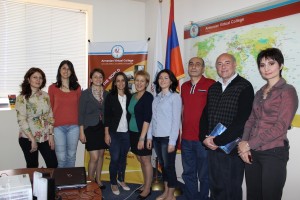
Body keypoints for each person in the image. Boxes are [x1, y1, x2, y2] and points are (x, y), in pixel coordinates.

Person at [238, 48, 298, 200]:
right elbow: (251, 120)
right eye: (262, 65)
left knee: (270, 196)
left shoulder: (287, 91)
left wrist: (249, 144)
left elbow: (281, 127)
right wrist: (243, 144)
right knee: (253, 195)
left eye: (271, 63)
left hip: (274, 152)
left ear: (281, 65)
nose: (267, 68)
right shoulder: (259, 92)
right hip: (253, 151)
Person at [200, 53, 254, 200]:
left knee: (231, 188)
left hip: (231, 148)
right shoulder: (214, 88)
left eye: (227, 63)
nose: (223, 67)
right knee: (215, 186)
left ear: (235, 65)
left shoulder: (244, 86)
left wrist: (218, 141)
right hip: (212, 146)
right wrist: (204, 138)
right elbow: (205, 114)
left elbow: (242, 120)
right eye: (219, 63)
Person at [181, 57, 215, 200]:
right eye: (191, 64)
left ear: (203, 68)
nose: (194, 67)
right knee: (188, 173)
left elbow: (214, 111)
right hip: (186, 139)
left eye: (198, 64)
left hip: (203, 140)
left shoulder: (211, 84)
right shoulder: (184, 86)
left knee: (204, 175)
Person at [147, 69, 182, 200]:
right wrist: (150, 136)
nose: (162, 80)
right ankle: (166, 192)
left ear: (171, 80)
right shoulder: (156, 98)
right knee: (164, 166)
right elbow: (152, 119)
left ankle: (171, 195)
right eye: (160, 78)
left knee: (169, 167)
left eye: (166, 78)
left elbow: (176, 121)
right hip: (156, 137)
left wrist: (172, 142)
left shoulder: (175, 97)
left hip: (168, 138)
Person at [16, 67, 58, 168]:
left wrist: (51, 135)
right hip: (28, 138)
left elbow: (50, 116)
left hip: (45, 136)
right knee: (32, 166)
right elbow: (22, 120)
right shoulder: (22, 98)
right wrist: (32, 140)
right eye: (35, 77)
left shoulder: (45, 96)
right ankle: (33, 184)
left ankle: (50, 184)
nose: (38, 80)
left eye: (40, 78)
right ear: (28, 79)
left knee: (53, 164)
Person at [48, 60, 81, 168]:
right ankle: (60, 183)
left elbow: (80, 109)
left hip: (74, 127)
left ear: (72, 71)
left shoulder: (77, 87)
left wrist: (82, 129)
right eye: (63, 68)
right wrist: (50, 132)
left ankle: (70, 183)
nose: (66, 71)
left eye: (68, 68)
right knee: (61, 158)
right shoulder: (52, 88)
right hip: (58, 128)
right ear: (59, 70)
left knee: (71, 156)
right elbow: (50, 110)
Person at [79, 68, 108, 189]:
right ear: (91, 79)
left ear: (103, 79)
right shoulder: (85, 93)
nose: (98, 79)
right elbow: (81, 113)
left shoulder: (106, 94)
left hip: (103, 127)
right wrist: (81, 132)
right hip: (90, 128)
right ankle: (90, 181)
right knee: (94, 157)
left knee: (101, 155)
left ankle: (99, 179)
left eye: (100, 77)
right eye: (95, 77)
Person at [104, 72, 132, 195]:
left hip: (126, 133)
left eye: (123, 80)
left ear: (126, 82)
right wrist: (106, 134)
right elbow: (107, 116)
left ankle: (121, 179)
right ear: (114, 83)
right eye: (118, 80)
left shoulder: (130, 96)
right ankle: (113, 182)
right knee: (114, 158)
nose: (120, 83)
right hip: (114, 133)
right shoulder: (110, 96)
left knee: (123, 158)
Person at [128, 70, 153, 200]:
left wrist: (142, 138)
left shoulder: (148, 97)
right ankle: (145, 183)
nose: (139, 83)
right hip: (132, 133)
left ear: (147, 83)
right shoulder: (133, 96)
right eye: (137, 80)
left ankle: (148, 188)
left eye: (142, 81)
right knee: (140, 159)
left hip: (142, 134)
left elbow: (147, 119)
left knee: (146, 160)